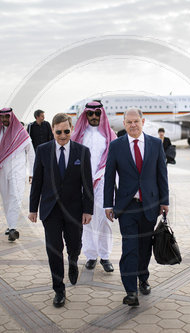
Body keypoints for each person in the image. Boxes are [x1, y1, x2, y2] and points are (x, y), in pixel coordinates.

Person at [104, 108, 169, 307]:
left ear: (143, 121)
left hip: (150, 205)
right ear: (124, 124)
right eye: (129, 122)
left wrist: (164, 201)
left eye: (136, 121)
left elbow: (161, 174)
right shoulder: (116, 146)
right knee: (130, 247)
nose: (133, 125)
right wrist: (108, 204)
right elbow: (109, 177)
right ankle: (130, 290)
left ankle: (143, 277)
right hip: (126, 207)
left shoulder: (156, 144)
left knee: (144, 247)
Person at [29, 113, 93, 308]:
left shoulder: (82, 152)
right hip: (51, 211)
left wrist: (88, 210)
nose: (63, 135)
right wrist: (33, 209)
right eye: (59, 132)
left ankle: (73, 260)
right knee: (54, 251)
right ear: (53, 131)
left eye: (66, 131)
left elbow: (87, 184)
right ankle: (59, 290)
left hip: (74, 210)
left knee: (74, 245)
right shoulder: (42, 150)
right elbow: (37, 182)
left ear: (72, 130)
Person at [71, 101, 116, 273]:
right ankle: (91, 256)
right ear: (86, 115)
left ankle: (105, 256)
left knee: (105, 220)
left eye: (98, 113)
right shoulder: (78, 136)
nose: (95, 117)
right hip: (84, 185)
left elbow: (116, 162)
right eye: (91, 114)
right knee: (87, 220)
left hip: (104, 183)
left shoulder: (109, 135)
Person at [0, 108, 35, 241]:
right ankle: (10, 224)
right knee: (6, 198)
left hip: (18, 171)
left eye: (7, 117)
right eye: (3, 117)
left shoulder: (21, 133)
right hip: (1, 171)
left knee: (16, 196)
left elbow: (31, 153)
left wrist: (32, 172)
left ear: (12, 117)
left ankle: (12, 228)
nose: (5, 119)